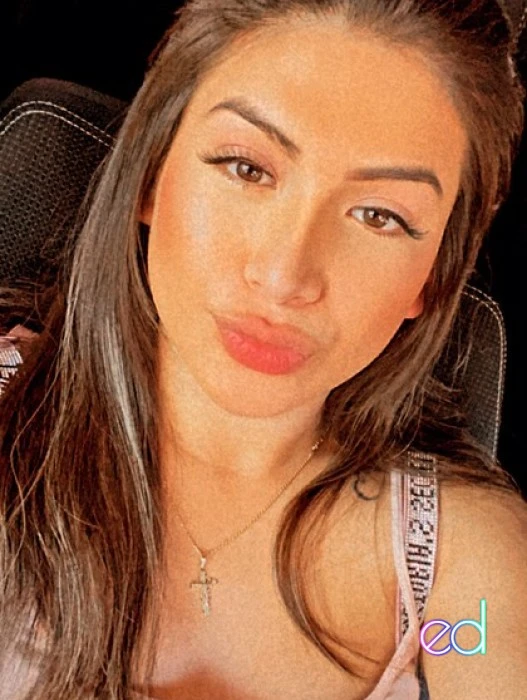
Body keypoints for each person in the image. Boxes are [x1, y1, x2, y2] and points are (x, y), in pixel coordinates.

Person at [1, 0, 526, 698]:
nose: (284, 277)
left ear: (432, 278)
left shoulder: (458, 588)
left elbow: (480, 643)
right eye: (245, 168)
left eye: (379, 215)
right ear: (150, 174)